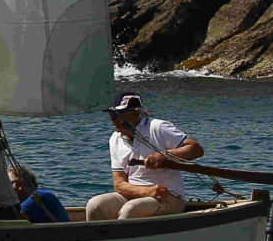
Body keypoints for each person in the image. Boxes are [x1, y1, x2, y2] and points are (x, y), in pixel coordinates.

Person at [85, 91, 203, 221]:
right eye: (111, 115)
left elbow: (196, 149)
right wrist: (147, 191)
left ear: (135, 113)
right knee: (95, 205)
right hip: (136, 195)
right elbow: (119, 184)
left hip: (169, 197)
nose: (113, 119)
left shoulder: (157, 127)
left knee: (130, 209)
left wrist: (164, 155)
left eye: (117, 114)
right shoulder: (115, 139)